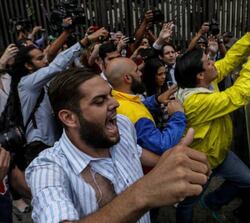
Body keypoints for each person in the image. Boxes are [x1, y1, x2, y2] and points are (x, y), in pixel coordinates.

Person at [25, 68, 210, 223]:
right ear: (69, 117)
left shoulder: (121, 123)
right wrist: (143, 193)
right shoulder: (47, 169)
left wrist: (169, 163)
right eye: (99, 101)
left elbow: (134, 152)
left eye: (110, 95)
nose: (114, 103)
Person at [174, 10, 250, 222]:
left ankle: (213, 202)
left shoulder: (203, 80)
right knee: (187, 203)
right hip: (201, 160)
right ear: (200, 75)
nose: (213, 62)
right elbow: (240, 94)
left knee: (248, 179)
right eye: (208, 62)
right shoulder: (196, 101)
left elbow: (229, 61)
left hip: (220, 152)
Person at [10, 28, 108, 163]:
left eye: (43, 56)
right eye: (39, 59)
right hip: (39, 145)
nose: (45, 61)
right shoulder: (26, 84)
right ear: (28, 65)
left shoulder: (40, 81)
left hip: (52, 141)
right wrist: (85, 41)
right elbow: (56, 66)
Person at [106, 57, 186, 155]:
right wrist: (177, 115)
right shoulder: (136, 116)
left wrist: (156, 100)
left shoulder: (115, 99)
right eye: (137, 71)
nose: (140, 73)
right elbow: (162, 145)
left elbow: (136, 105)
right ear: (127, 78)